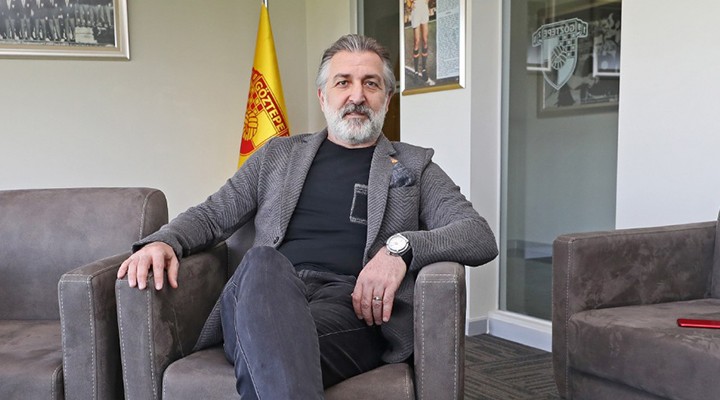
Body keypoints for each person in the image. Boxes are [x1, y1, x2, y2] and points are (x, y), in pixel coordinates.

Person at [118, 34, 497, 399]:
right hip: (263, 292)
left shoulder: (415, 165)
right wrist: (164, 240)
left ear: (387, 98)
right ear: (322, 96)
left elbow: (477, 235)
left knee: (273, 344)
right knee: (263, 263)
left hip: (351, 308)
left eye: (371, 83)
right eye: (343, 82)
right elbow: (213, 214)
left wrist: (400, 249)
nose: (357, 96)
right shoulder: (276, 156)